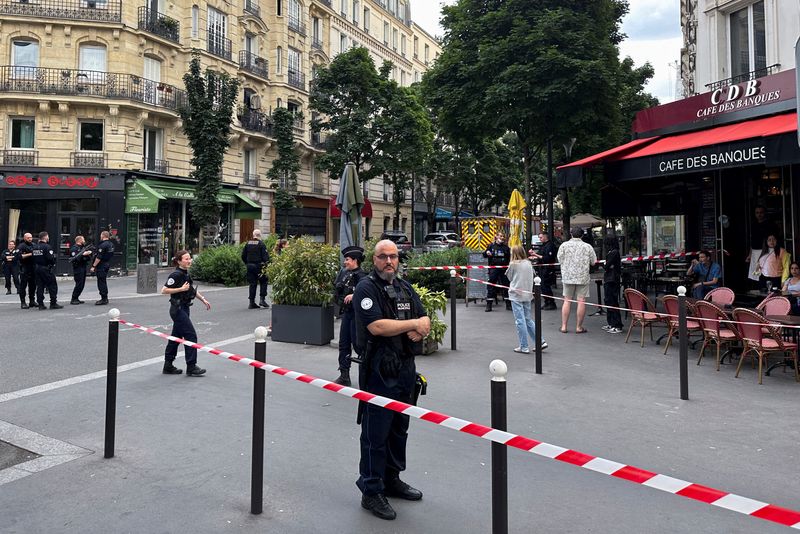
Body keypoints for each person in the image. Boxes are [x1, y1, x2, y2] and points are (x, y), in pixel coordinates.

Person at [353, 239, 430, 521]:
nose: (389, 261)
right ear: (374, 260)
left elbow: (423, 318)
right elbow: (377, 326)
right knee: (376, 432)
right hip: (379, 371)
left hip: (405, 370)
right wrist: (412, 325)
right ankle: (371, 490)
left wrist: (422, 328)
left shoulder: (403, 287)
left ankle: (391, 479)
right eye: (383, 256)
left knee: (399, 428)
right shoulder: (366, 288)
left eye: (393, 257)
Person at [161, 250, 211, 376]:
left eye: (190, 258)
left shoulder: (186, 274)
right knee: (191, 335)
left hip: (184, 307)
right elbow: (164, 290)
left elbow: (191, 290)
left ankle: (168, 365)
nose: (189, 261)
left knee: (175, 337)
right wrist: (180, 289)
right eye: (186, 259)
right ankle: (191, 366)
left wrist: (203, 299)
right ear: (179, 261)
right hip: (177, 309)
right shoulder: (176, 275)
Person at [333, 245, 368, 386]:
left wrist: (355, 295)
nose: (345, 262)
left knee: (359, 346)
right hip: (347, 314)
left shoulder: (364, 277)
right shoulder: (344, 273)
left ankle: (366, 375)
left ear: (355, 260)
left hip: (358, 317)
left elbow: (368, 294)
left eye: (347, 259)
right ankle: (344, 374)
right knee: (344, 344)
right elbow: (337, 288)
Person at [506, 245, 548, 353]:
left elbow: (509, 277)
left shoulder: (513, 264)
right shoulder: (529, 263)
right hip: (527, 293)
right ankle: (540, 341)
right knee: (528, 319)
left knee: (520, 321)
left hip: (516, 294)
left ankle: (524, 346)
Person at [556, 227, 596, 333]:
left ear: (571, 234)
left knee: (567, 300)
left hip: (567, 276)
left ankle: (564, 326)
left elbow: (559, 259)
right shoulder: (587, 246)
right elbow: (593, 262)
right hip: (582, 277)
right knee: (581, 301)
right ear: (582, 235)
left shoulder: (563, 246)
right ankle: (578, 327)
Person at [746, 205, 781, 283]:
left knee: (765, 271)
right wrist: (750, 254)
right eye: (757, 213)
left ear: (765, 213)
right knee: (755, 274)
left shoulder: (770, 224)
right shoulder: (753, 224)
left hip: (766, 250)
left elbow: (773, 239)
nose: (759, 214)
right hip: (755, 251)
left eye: (761, 212)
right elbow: (752, 240)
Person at [32, 231, 62, 310]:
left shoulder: (35, 247)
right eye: (47, 236)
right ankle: (53, 303)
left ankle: (40, 304)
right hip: (46, 268)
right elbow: (50, 259)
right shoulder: (47, 247)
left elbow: (33, 258)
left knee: (40, 286)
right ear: (45, 237)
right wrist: (53, 261)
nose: (48, 238)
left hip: (37, 268)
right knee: (52, 285)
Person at [242, 229, 270, 309]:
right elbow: (266, 257)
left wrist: (247, 263)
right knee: (264, 281)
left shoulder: (248, 244)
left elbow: (243, 256)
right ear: (259, 235)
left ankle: (251, 302)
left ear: (253, 235)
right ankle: (262, 300)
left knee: (252, 284)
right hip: (259, 266)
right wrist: (266, 265)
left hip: (250, 266)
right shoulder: (261, 244)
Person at [483, 232, 511, 312]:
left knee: (506, 286)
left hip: (503, 270)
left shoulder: (506, 248)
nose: (502, 237)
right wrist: (487, 253)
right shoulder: (491, 246)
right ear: (496, 236)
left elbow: (509, 259)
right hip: (493, 269)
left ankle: (508, 305)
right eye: (501, 236)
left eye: (503, 236)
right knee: (491, 286)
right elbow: (484, 255)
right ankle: (489, 305)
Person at [602, 235, 624, 334]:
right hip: (610, 279)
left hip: (612, 279)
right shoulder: (612, 252)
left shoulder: (614, 253)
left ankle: (617, 324)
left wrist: (605, 265)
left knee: (612, 301)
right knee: (608, 301)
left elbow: (607, 266)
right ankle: (611, 323)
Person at [529, 232, 557, 310]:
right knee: (543, 286)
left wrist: (535, 255)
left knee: (546, 286)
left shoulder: (550, 246)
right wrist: (534, 256)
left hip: (548, 269)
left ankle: (551, 303)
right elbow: (540, 255)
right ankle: (547, 302)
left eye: (541, 237)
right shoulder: (544, 246)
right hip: (542, 268)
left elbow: (547, 258)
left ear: (545, 237)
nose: (540, 239)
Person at [90, 231, 114, 305]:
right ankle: (104, 298)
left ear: (103, 236)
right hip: (107, 263)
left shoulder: (103, 245)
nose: (100, 236)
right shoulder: (111, 244)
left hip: (101, 265)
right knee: (103, 281)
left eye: (101, 235)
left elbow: (99, 257)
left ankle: (104, 299)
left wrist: (93, 266)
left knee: (101, 282)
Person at [69, 235, 94, 305]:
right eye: (83, 239)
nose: (84, 241)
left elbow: (88, 257)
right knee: (79, 284)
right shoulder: (74, 248)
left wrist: (88, 254)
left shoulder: (82, 248)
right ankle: (73, 298)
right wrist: (83, 254)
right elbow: (75, 258)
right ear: (79, 240)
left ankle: (76, 298)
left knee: (82, 284)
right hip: (78, 268)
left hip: (83, 266)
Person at [17, 233, 36, 309]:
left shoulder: (34, 245)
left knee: (33, 285)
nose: (30, 239)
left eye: (31, 237)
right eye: (28, 238)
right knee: (23, 286)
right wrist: (30, 254)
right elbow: (19, 256)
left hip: (33, 267)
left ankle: (32, 301)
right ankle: (23, 302)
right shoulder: (21, 246)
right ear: (24, 238)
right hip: (24, 267)